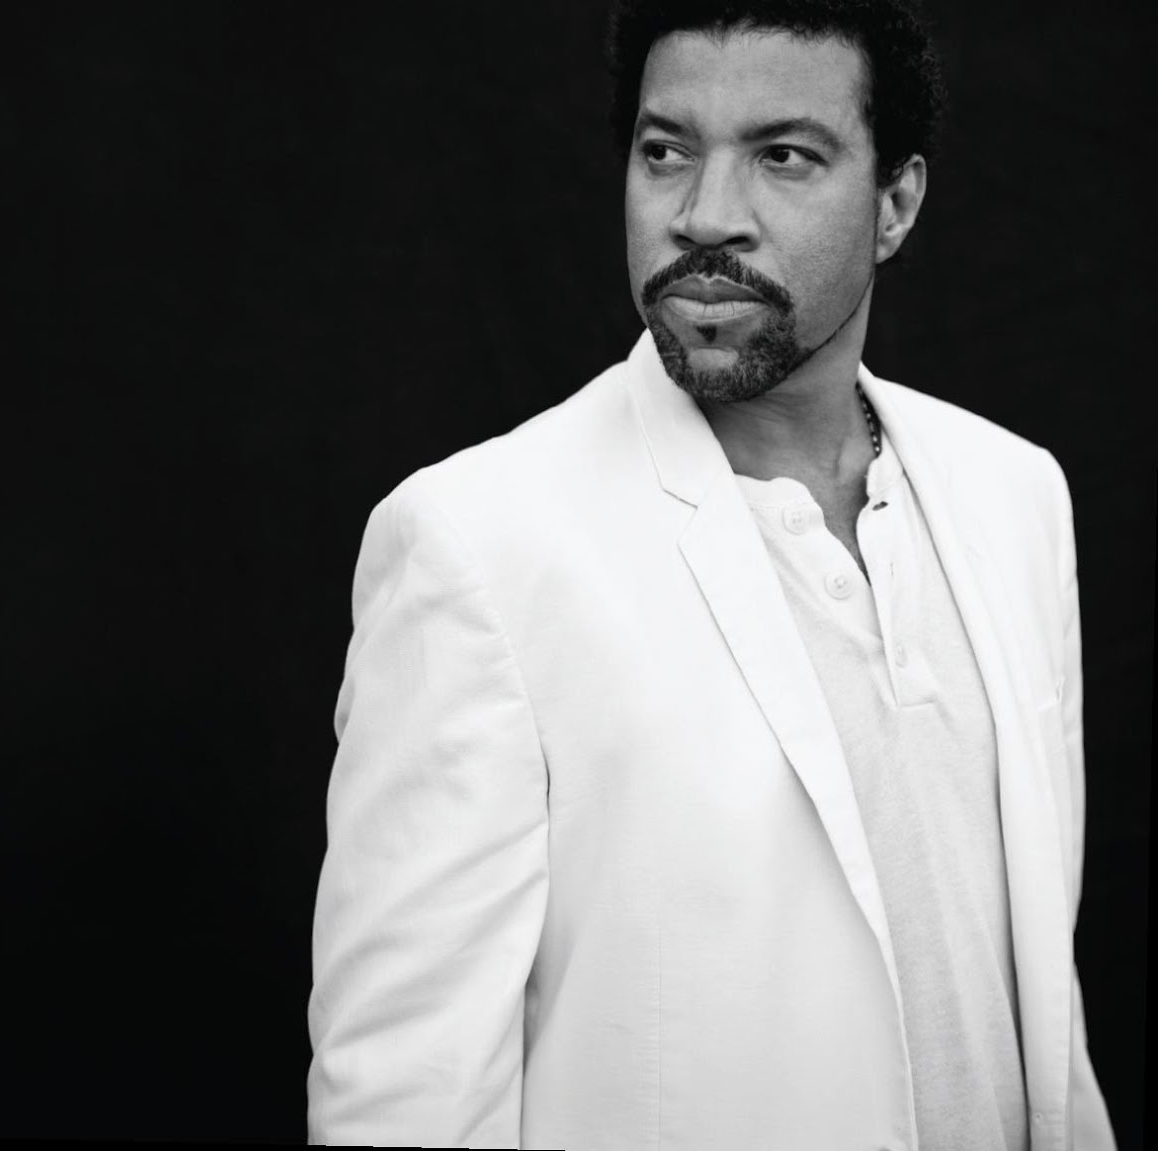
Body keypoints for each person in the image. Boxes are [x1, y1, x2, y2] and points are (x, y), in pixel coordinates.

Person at [305, 0, 1119, 1148]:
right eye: (665, 150)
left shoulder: (1013, 495)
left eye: (782, 155)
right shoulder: (477, 543)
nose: (702, 214)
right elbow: (404, 1090)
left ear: (895, 204)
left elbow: (1040, 1001)